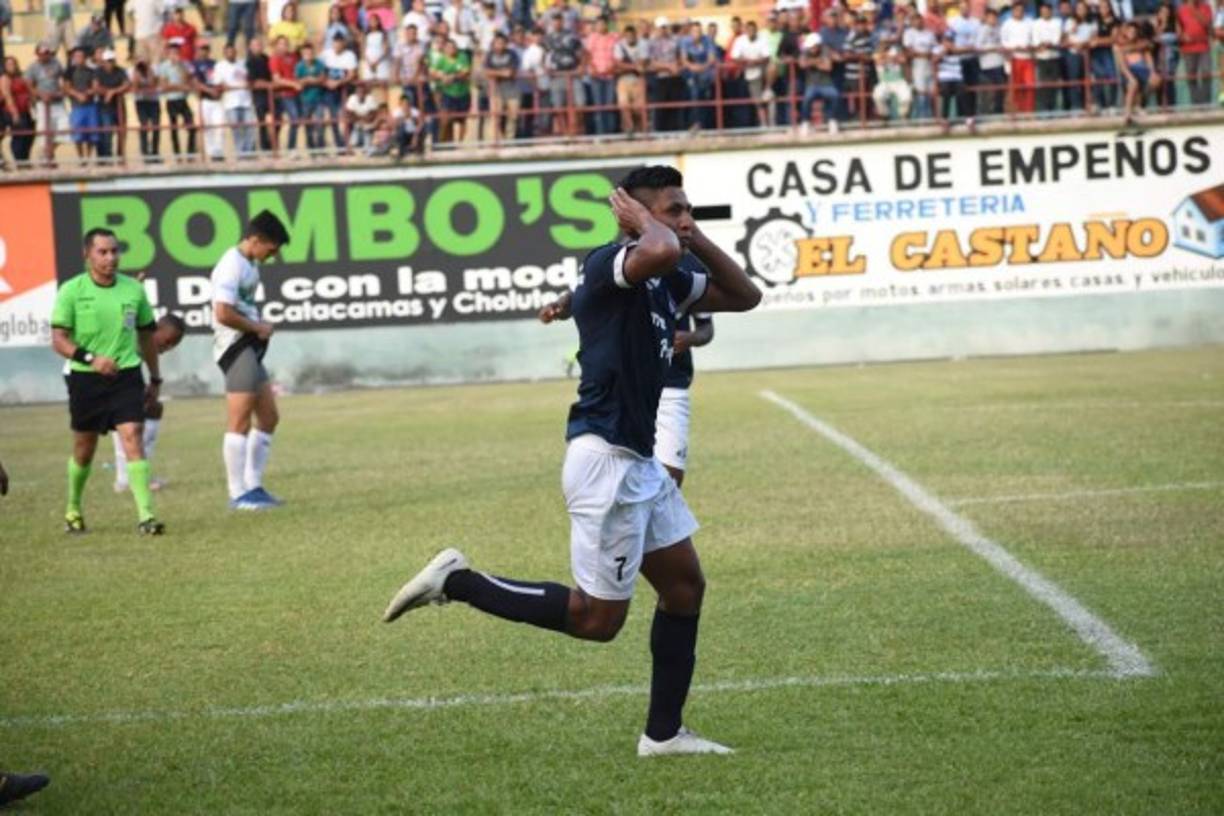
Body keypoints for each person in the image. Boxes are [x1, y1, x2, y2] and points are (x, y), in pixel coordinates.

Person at [383, 166, 761, 758]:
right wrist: (648, 228)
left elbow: (745, 295)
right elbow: (654, 249)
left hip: (638, 463)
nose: (683, 218)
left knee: (684, 587)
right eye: (671, 208)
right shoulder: (612, 263)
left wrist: (692, 234)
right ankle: (456, 582)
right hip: (605, 462)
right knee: (596, 621)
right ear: (630, 216)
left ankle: (663, 734)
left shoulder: (668, 273)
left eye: (688, 207)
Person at [50, 228, 166, 535]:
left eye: (115, 251)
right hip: (86, 379)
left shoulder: (133, 290)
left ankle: (146, 516)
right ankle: (73, 509)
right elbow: (59, 340)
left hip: (127, 375)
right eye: (102, 252)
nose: (110, 258)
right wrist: (91, 359)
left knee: (133, 436)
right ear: (87, 255)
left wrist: (154, 377)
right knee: (84, 450)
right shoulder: (72, 290)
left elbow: (146, 336)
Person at [211, 211, 291, 511]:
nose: (274, 255)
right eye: (271, 249)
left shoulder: (249, 263)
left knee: (269, 417)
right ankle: (238, 493)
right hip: (234, 347)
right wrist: (257, 327)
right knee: (239, 421)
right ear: (256, 240)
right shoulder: (231, 265)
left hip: (249, 346)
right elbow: (222, 312)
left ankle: (253, 487)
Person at [112, 313, 186, 493]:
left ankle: (141, 473)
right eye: (168, 340)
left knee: (153, 408)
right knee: (127, 417)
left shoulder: (148, 349)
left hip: (121, 380)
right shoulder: (133, 332)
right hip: (98, 376)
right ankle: (124, 479)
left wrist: (151, 384)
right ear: (157, 329)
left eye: (174, 345)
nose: (168, 347)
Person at [215, 42, 256, 156]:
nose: (231, 54)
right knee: (236, 130)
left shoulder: (242, 63)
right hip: (231, 103)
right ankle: (240, 154)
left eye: (232, 51)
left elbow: (249, 77)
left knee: (250, 128)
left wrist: (249, 82)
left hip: (246, 101)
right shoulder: (220, 66)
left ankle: (248, 153)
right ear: (224, 53)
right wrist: (226, 86)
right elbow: (218, 83)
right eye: (228, 52)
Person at [157, 40, 195, 158]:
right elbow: (164, 85)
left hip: (183, 99)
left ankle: (190, 153)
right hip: (171, 100)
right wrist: (179, 87)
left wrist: (180, 66)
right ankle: (177, 154)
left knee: (191, 126)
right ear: (168, 53)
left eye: (177, 52)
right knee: (174, 128)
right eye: (172, 52)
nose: (175, 55)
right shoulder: (164, 66)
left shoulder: (185, 65)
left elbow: (187, 81)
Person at [1116, 18, 1158, 124]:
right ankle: (1128, 114)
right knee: (1133, 84)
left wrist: (1152, 72)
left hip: (1142, 69)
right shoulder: (1121, 45)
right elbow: (1122, 65)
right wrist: (1130, 77)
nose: (1132, 33)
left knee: (1156, 80)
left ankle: (1141, 104)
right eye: (1130, 31)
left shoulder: (1142, 44)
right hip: (1129, 71)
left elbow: (1149, 57)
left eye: (1134, 32)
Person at [62, 47, 99, 162]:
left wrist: (89, 92)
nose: (79, 59)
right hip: (77, 106)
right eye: (76, 56)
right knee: (78, 135)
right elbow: (66, 87)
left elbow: (95, 86)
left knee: (91, 134)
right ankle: (81, 158)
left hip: (90, 105)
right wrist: (78, 95)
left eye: (81, 56)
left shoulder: (91, 71)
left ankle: (88, 157)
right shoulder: (69, 71)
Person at [799, 31, 840, 133]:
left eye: (814, 47)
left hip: (826, 84)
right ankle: (806, 122)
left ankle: (832, 120)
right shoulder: (805, 51)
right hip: (811, 85)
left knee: (834, 95)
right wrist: (818, 62)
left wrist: (812, 63)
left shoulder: (825, 50)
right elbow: (802, 64)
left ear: (818, 45)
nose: (812, 49)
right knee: (807, 99)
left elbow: (828, 67)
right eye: (811, 47)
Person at [1001, 0, 1035, 113]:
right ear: (1012, 11)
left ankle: (1028, 111)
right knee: (1016, 86)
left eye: (1021, 10)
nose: (1019, 12)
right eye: (1017, 10)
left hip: (1028, 58)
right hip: (1014, 58)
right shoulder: (1007, 24)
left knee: (1029, 85)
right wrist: (1014, 47)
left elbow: (1034, 38)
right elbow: (1003, 41)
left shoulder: (1029, 22)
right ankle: (1018, 110)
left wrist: (1029, 46)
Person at [194, 41, 227, 160]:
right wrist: (209, 90)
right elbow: (196, 82)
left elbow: (221, 79)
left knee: (219, 126)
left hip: (217, 100)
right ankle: (211, 153)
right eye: (201, 48)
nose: (203, 51)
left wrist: (219, 90)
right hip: (204, 100)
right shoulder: (195, 64)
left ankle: (219, 151)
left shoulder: (215, 63)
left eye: (205, 48)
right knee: (207, 128)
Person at [1177, 0, 1213, 105]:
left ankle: (1206, 103)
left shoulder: (1206, 7)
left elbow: (1207, 24)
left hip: (1204, 46)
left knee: (1206, 73)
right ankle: (1197, 104)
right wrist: (1182, 37)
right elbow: (1178, 29)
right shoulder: (1180, 10)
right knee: (1191, 76)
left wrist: (1193, 10)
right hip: (1188, 48)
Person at [95, 48, 128, 160]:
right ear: (103, 62)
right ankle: (107, 157)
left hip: (118, 106)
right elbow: (96, 87)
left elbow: (126, 84)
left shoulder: (120, 70)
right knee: (107, 133)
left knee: (122, 132)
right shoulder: (98, 71)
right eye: (108, 61)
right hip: (105, 107)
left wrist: (112, 92)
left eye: (111, 60)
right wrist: (110, 92)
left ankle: (120, 156)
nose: (110, 63)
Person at [269, 35, 301, 151]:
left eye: (286, 43)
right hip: (283, 95)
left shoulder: (293, 57)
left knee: (298, 120)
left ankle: (290, 147)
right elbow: (277, 78)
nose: (284, 46)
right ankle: (288, 148)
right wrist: (293, 84)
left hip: (296, 94)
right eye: (281, 44)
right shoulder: (275, 58)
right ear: (277, 45)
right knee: (291, 119)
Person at [3, 56, 36, 166]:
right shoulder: (5, 79)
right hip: (14, 112)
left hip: (26, 111)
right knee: (19, 136)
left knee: (29, 135)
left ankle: (25, 160)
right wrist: (14, 113)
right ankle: (20, 161)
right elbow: (8, 96)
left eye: (14, 64)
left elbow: (30, 91)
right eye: (9, 64)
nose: (12, 66)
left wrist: (33, 103)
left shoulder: (21, 76)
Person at [294, 41, 326, 151]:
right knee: (307, 125)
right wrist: (308, 80)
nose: (308, 55)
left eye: (310, 53)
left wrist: (310, 80)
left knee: (320, 123)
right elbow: (298, 82)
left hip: (319, 99)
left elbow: (322, 78)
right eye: (306, 53)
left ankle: (321, 148)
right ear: (303, 54)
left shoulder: (319, 64)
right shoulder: (299, 66)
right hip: (305, 99)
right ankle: (311, 148)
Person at [1032, 2, 1063, 115]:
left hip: (1054, 57)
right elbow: (1036, 40)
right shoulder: (1036, 23)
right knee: (1043, 85)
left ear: (1051, 11)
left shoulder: (1057, 22)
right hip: (1041, 58)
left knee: (1054, 85)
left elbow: (1056, 39)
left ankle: (1054, 109)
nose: (1045, 13)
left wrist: (1049, 43)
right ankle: (1044, 111)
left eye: (1047, 10)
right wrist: (1042, 44)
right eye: (1043, 11)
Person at [873, 44, 912, 119]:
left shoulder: (895, 52)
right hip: (884, 82)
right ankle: (884, 114)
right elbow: (879, 61)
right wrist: (889, 58)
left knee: (906, 96)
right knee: (877, 95)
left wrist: (893, 57)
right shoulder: (877, 54)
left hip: (898, 81)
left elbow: (903, 59)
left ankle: (903, 114)